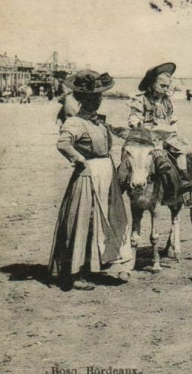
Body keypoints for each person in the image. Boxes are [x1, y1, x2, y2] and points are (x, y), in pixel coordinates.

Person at [48, 70, 132, 290]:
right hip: (87, 177)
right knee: (84, 222)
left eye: (99, 97)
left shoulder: (99, 123)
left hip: (106, 174)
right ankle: (74, 273)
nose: (97, 100)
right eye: (92, 97)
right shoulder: (76, 122)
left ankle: (94, 267)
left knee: (103, 220)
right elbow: (63, 144)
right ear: (81, 99)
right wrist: (79, 160)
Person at [123, 62, 192, 208]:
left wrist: (174, 131)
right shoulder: (141, 100)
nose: (166, 89)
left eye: (167, 86)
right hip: (147, 135)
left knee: (184, 152)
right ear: (151, 85)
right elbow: (135, 116)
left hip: (166, 134)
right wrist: (136, 123)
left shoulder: (167, 102)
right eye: (162, 86)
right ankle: (121, 184)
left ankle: (185, 185)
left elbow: (172, 119)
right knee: (133, 156)